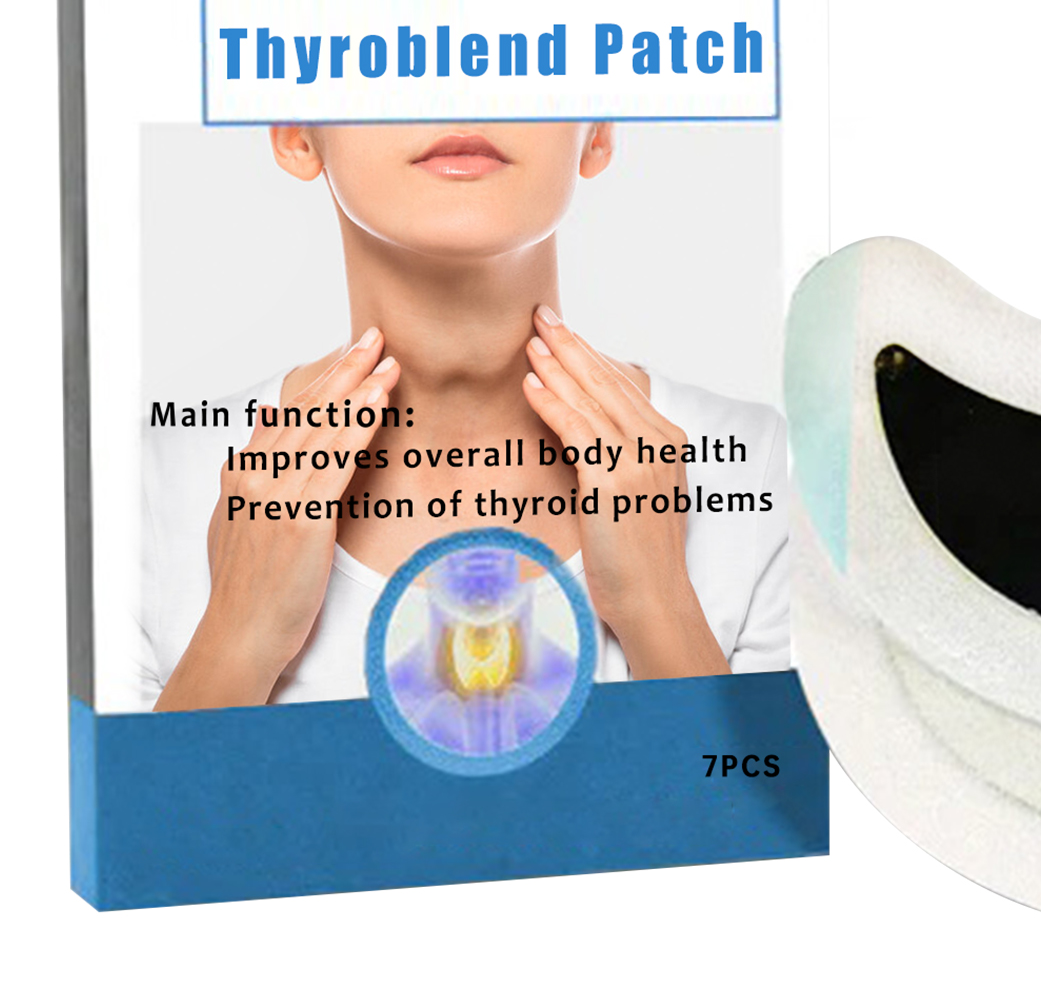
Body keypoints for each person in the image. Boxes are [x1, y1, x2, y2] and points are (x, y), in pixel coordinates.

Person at [141, 121, 789, 711]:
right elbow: (140, 811)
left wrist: (660, 612)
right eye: (386, 53)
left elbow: (770, 806)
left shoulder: (768, 471)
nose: (461, 88)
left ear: (596, 133)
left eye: (525, 52)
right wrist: (236, 641)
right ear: (296, 134)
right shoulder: (144, 490)